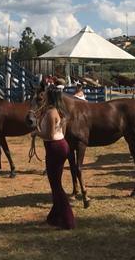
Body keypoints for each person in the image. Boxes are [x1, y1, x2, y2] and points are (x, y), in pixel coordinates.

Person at [32, 87, 75, 229]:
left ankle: (68, 221)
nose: (43, 97)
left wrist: (36, 133)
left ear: (50, 97)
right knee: (55, 184)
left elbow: (49, 135)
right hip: (59, 146)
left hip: (54, 147)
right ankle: (53, 218)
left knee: (56, 186)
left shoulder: (51, 113)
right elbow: (61, 131)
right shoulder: (58, 111)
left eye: (46, 95)